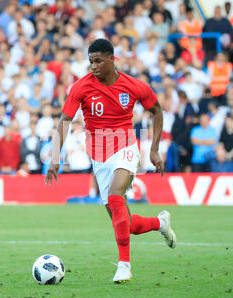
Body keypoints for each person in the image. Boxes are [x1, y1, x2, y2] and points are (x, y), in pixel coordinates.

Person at [45, 39, 177, 283]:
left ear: (111, 59)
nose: (93, 66)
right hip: (98, 155)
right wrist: (55, 157)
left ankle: (124, 266)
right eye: (90, 62)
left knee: (116, 196)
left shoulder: (133, 86)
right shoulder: (80, 87)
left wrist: (155, 149)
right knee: (124, 223)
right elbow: (64, 121)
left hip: (126, 146)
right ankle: (160, 223)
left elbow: (157, 110)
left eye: (98, 61)